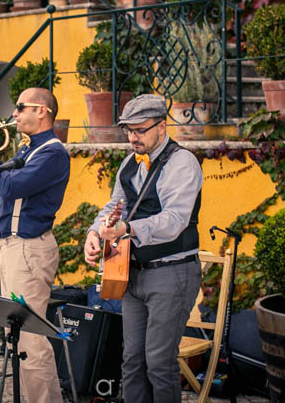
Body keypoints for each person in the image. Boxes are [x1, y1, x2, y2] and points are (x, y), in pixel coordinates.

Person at [83, 94, 203, 403]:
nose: (133, 137)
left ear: (161, 127)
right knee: (132, 360)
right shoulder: (129, 161)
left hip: (171, 272)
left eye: (140, 130)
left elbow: (175, 220)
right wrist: (96, 231)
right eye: (128, 130)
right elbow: (115, 205)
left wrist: (127, 229)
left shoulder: (182, 162)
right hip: (131, 274)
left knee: (159, 363)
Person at [0, 87, 69, 403]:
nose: (15, 113)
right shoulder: (27, 150)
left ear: (43, 111)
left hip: (29, 248)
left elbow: (11, 187)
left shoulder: (52, 152)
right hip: (12, 248)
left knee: (31, 342)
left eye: (21, 107)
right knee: (17, 337)